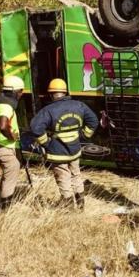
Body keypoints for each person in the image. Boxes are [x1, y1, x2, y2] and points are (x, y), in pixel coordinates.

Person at [30, 78, 98, 209]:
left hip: (58, 152)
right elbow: (93, 121)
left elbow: (35, 128)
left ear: (51, 94)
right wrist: (84, 135)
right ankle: (81, 205)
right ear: (65, 92)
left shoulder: (48, 110)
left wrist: (46, 143)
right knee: (76, 175)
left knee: (63, 179)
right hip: (75, 150)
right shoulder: (79, 105)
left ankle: (68, 208)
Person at [0, 76, 25, 209]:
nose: (21, 94)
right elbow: (3, 126)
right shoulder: (5, 105)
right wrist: (11, 137)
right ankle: (4, 207)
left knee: (8, 173)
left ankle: (2, 199)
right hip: (4, 146)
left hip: (2, 145)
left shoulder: (0, 103)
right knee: (13, 168)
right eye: (20, 91)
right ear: (15, 91)